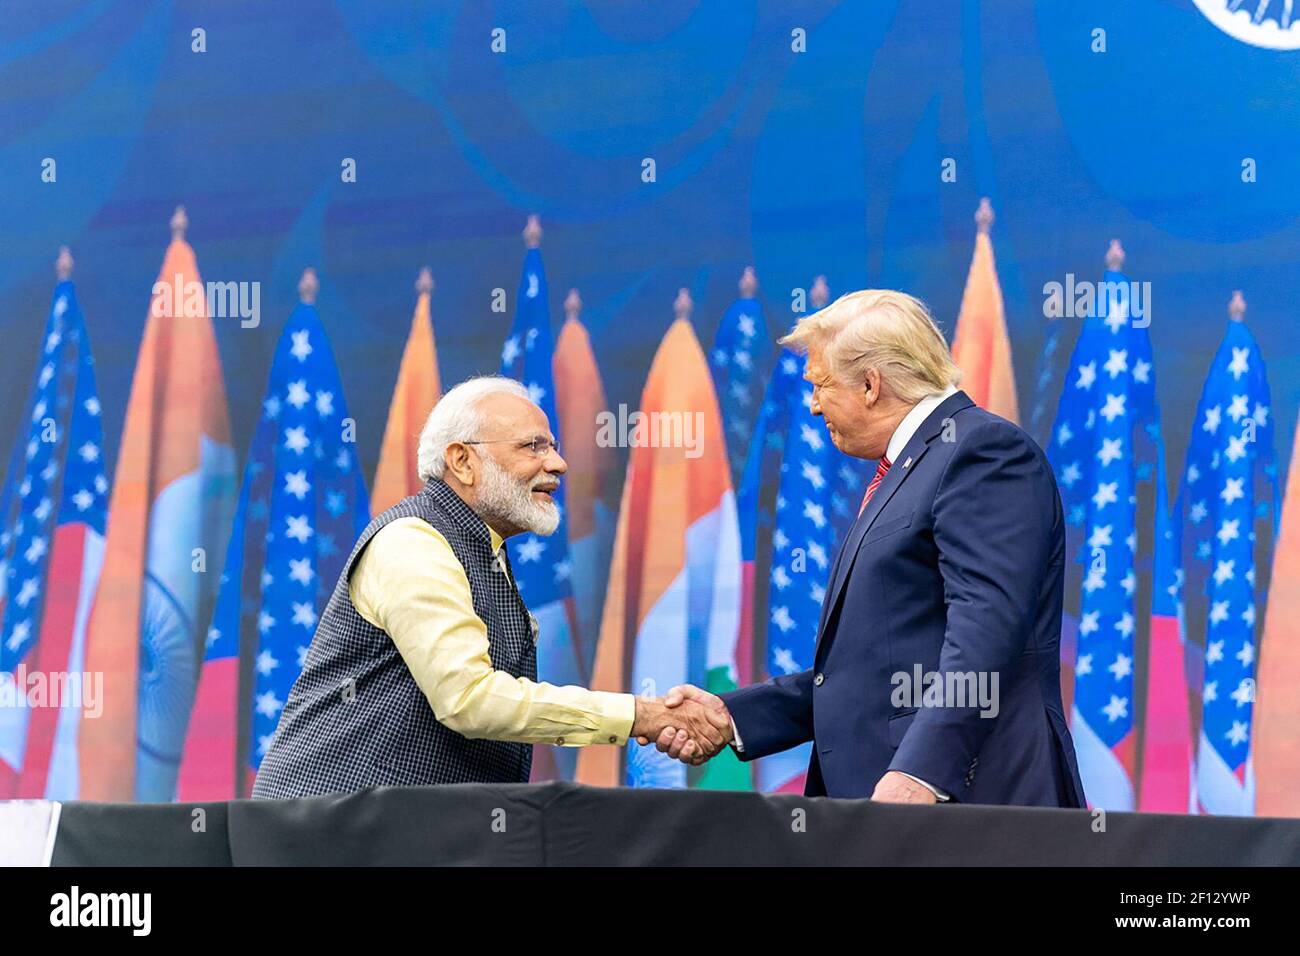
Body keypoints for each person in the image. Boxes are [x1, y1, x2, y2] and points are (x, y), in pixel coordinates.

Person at [650, 290, 1086, 807]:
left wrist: (923, 771)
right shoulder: (914, 466)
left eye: (820, 385)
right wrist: (733, 717)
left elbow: (986, 629)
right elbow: (868, 673)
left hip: (969, 801)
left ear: (871, 384)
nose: (812, 405)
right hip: (898, 804)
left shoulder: (982, 452)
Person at [253, 376, 726, 798]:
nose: (558, 464)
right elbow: (469, 699)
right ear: (462, 461)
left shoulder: (480, 548)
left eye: (554, 446)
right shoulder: (413, 540)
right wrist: (639, 715)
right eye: (533, 447)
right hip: (330, 834)